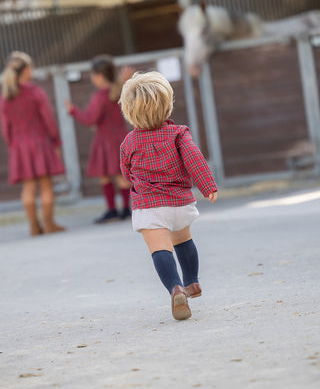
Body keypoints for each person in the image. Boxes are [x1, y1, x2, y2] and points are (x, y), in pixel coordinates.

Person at [119, 71, 218, 321]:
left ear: (129, 111)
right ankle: (193, 282)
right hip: (179, 202)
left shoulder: (128, 143)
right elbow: (194, 159)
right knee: (184, 240)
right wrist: (208, 187)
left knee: (160, 249)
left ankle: (175, 288)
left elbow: (126, 172)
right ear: (167, 105)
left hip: (149, 205)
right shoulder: (178, 134)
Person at [0, 51, 65, 236]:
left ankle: (34, 226)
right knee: (46, 185)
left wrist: (12, 144)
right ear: (27, 70)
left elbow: (5, 127)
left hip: (19, 145)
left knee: (28, 187)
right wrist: (56, 141)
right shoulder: (36, 92)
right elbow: (48, 120)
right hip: (40, 142)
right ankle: (49, 224)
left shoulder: (6, 96)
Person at [65, 55, 131, 223]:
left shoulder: (100, 96)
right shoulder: (121, 90)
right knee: (121, 175)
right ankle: (126, 209)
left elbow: (90, 119)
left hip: (105, 140)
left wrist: (73, 111)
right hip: (121, 138)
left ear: (99, 76)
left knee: (105, 175)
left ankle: (111, 210)